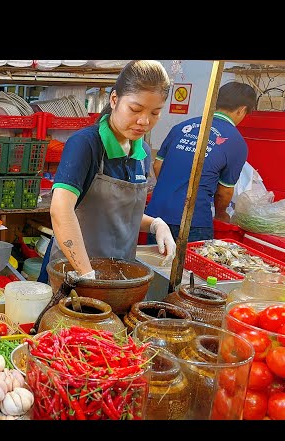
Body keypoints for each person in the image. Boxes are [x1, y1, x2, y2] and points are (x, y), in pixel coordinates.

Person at [38, 60, 176, 284]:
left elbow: (116, 214)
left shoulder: (141, 154)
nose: (144, 120)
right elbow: (60, 210)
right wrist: (87, 275)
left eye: (155, 112)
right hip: (72, 275)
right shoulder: (86, 144)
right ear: (114, 100)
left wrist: (155, 224)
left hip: (117, 278)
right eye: (135, 109)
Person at [146, 81, 257, 243]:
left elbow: (157, 165)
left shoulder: (182, 127)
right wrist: (221, 214)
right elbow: (224, 192)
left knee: (156, 265)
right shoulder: (236, 142)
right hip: (194, 221)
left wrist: (173, 188)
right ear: (242, 110)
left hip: (156, 215)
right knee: (190, 267)